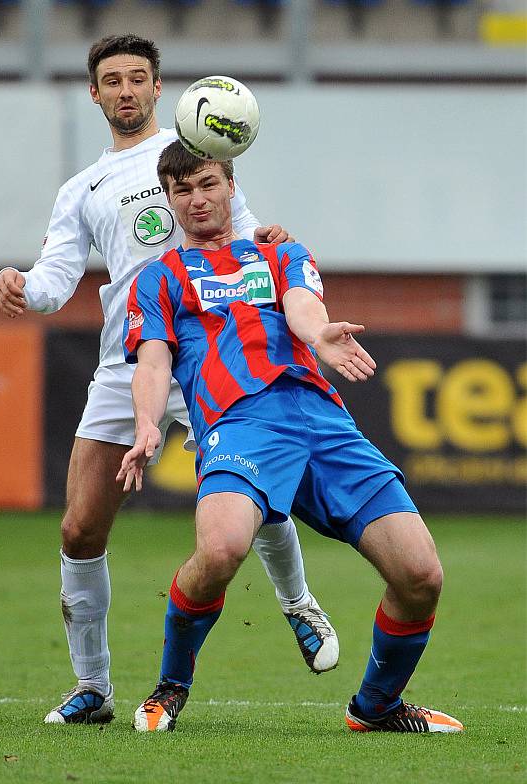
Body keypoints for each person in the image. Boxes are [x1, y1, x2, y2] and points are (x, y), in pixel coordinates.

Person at [0, 35, 338, 725]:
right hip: (130, 361)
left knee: (259, 497)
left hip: (214, 350)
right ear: (94, 93)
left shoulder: (194, 152)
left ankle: (298, 602)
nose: (125, 90)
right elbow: (57, 283)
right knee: (80, 526)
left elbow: (246, 239)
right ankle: (93, 689)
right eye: (112, 80)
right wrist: (22, 287)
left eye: (138, 78)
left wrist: (268, 241)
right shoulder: (82, 188)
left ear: (159, 88)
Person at [118, 141, 464, 735]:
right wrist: (147, 422)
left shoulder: (279, 251)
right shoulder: (159, 278)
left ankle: (375, 708)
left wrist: (321, 335)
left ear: (231, 185)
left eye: (206, 184)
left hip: (322, 422)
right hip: (239, 425)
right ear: (169, 201)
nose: (196, 199)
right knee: (222, 550)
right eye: (182, 190)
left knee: (422, 575)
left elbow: (303, 308)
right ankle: (171, 686)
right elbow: (152, 362)